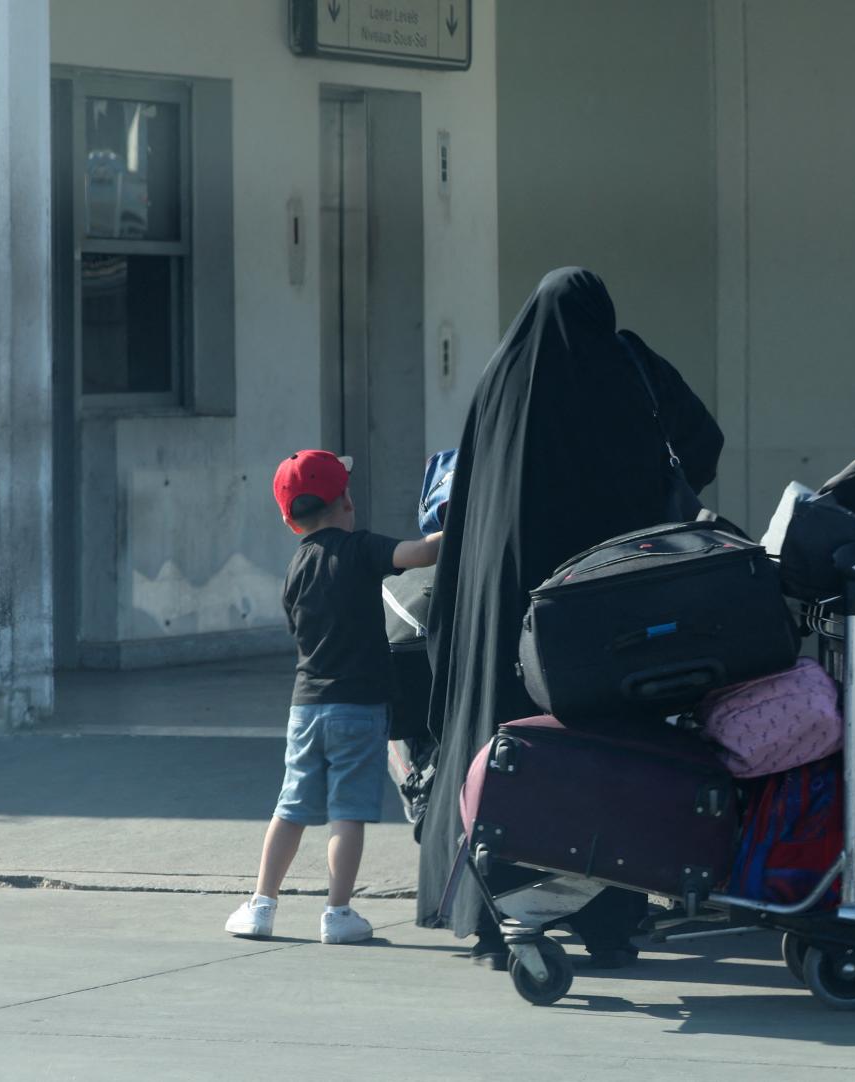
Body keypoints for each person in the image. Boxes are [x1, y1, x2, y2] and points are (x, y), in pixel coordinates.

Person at [414, 267, 722, 970]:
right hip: (599, 610)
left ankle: (499, 921)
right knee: (609, 750)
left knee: (504, 755)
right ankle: (608, 919)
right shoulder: (621, 363)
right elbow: (701, 442)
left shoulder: (500, 378)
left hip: (502, 611)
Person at [225, 450, 442, 944]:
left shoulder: (295, 568)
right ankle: (338, 913)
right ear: (346, 501)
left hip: (305, 708)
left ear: (288, 518)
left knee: (291, 807)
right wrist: (469, 516)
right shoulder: (361, 549)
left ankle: (262, 905)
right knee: (348, 811)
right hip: (360, 709)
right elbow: (423, 554)